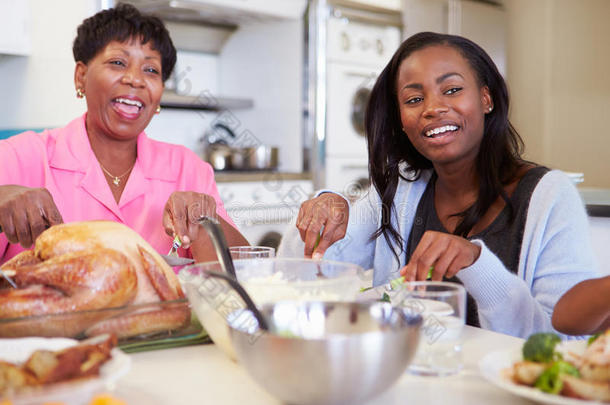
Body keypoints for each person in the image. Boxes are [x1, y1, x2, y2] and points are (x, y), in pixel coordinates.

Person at [284, 32, 599, 338]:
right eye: (414, 99)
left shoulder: (551, 197)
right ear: (401, 121)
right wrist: (327, 205)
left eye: (451, 90)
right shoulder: (400, 190)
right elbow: (310, 268)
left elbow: (565, 344)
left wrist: (477, 263)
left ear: (486, 98)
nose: (432, 108)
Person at [0, 4, 248, 264]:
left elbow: (244, 273)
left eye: (151, 70)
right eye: (118, 63)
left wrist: (208, 222)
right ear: (81, 76)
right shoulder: (19, 157)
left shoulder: (188, 169)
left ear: (161, 91)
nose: (135, 80)